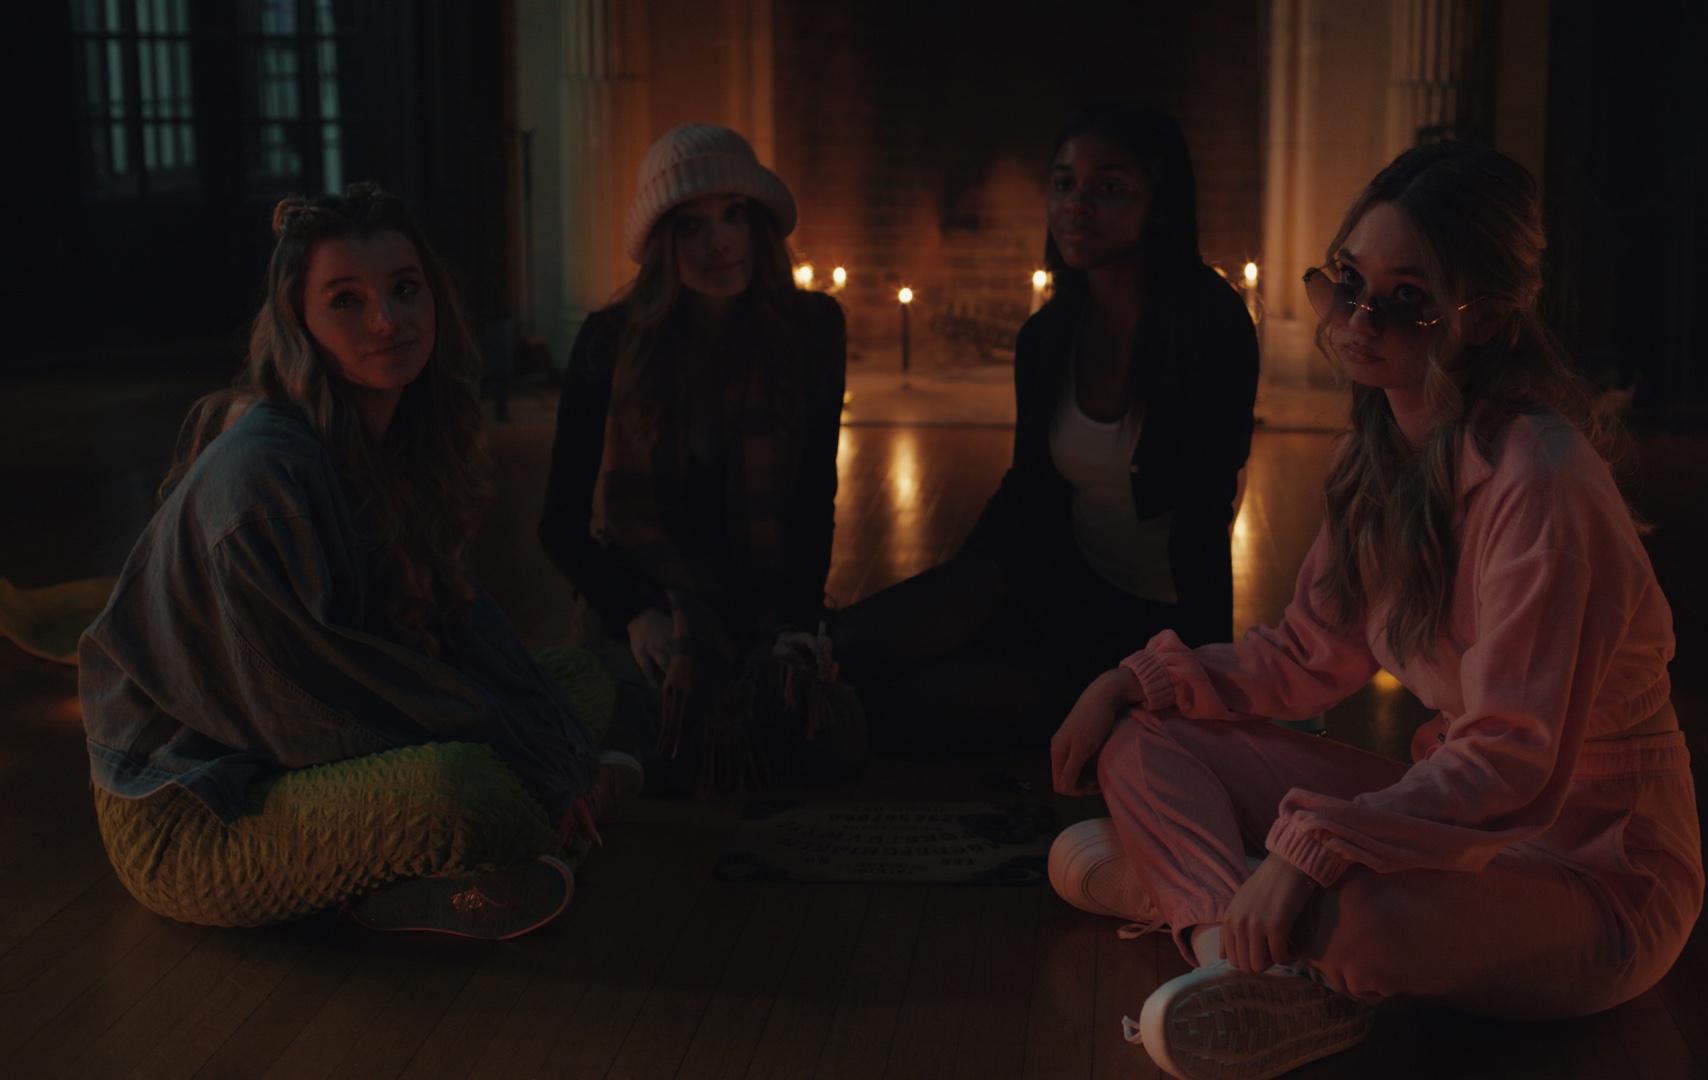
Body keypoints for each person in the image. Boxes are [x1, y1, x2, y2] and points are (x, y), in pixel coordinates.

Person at [1047, 142, 1704, 1079]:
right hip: (1463, 834)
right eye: (1347, 280)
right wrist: (1130, 680)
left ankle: (1220, 909)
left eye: (1406, 298)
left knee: (1349, 915)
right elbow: (1303, 657)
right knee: (1143, 739)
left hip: (1592, 870)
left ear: (1484, 317)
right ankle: (1240, 953)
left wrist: (1312, 852)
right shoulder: (1380, 451)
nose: (1359, 319)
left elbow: (1513, 755)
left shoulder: (1542, 482)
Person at [81, 184, 610, 939]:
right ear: (299, 322)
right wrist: (543, 764)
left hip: (302, 760)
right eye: (345, 301)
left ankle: (515, 846)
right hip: (201, 803)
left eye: (404, 289)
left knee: (574, 679)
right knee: (464, 782)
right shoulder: (264, 484)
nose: (387, 322)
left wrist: (548, 749)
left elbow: (458, 618)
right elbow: (324, 708)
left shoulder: (391, 435)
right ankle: (489, 854)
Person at [831, 101, 1260, 754]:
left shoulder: (1211, 328)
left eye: (1109, 187)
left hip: (1143, 631)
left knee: (911, 705)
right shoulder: (1048, 336)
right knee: (858, 647)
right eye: (1064, 184)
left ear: (1162, 201)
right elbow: (1026, 486)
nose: (1076, 205)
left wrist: (1200, 686)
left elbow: (1204, 519)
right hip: (1054, 581)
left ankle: (796, 714)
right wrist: (962, 595)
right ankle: (776, 680)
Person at [538, 123, 852, 792]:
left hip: (762, 597)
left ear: (760, 225)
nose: (720, 242)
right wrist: (636, 613)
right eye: (690, 226)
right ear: (660, 246)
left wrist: (798, 624)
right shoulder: (609, 341)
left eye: (735, 215)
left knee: (820, 738)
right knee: (624, 715)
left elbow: (810, 504)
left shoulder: (812, 330)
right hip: (651, 599)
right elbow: (558, 524)